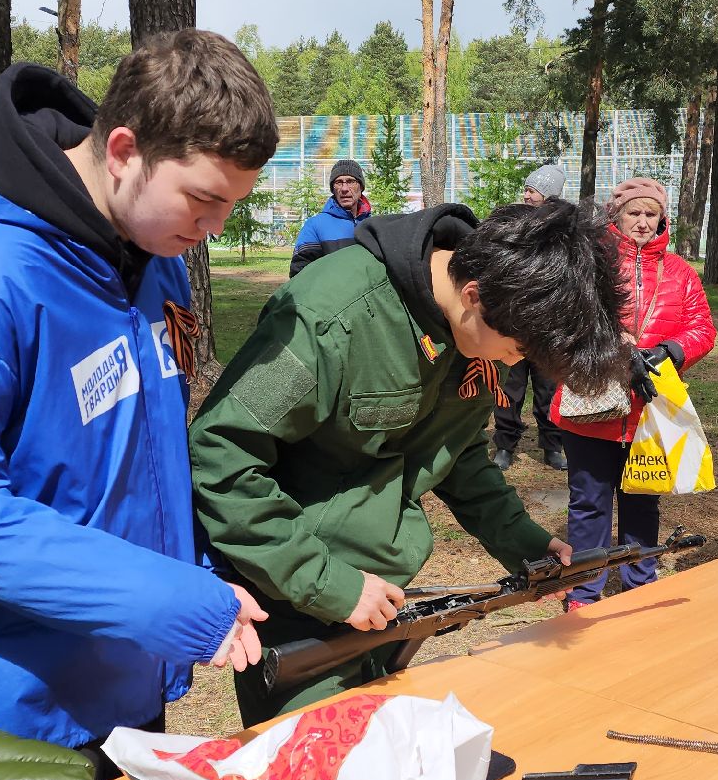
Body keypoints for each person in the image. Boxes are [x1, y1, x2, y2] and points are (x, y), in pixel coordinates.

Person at [0, 31, 277, 780]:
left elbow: (136, 452)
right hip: (5, 707)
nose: (213, 230)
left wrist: (188, 578)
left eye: (232, 206)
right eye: (204, 200)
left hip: (125, 669)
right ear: (123, 151)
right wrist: (161, 598)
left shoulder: (150, 256)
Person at [190, 197, 630, 724]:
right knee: (318, 766)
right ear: (472, 296)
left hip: (384, 601)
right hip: (296, 599)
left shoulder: (483, 321)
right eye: (518, 350)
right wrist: (329, 583)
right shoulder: (329, 314)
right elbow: (221, 454)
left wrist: (527, 545)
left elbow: (457, 452)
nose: (517, 363)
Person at [551, 177, 715, 610]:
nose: (642, 222)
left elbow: (702, 327)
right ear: (616, 215)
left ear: (662, 220)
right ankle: (584, 590)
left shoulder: (679, 272)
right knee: (589, 503)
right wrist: (616, 346)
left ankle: (639, 584)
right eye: (634, 213)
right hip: (590, 405)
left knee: (642, 500)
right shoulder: (590, 262)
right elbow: (564, 319)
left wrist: (671, 350)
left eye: (651, 214)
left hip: (648, 410)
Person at [491, 163, 572, 471]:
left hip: (548, 323)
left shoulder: (563, 229)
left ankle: (552, 446)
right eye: (525, 190)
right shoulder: (513, 223)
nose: (525, 195)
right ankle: (504, 445)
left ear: (549, 195)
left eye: (532, 191)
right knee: (509, 389)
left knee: (548, 388)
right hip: (513, 321)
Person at [290, 158, 371, 276]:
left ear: (361, 187)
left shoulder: (372, 226)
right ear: (333, 189)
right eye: (338, 182)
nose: (344, 189)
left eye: (350, 181)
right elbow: (299, 273)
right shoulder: (315, 226)